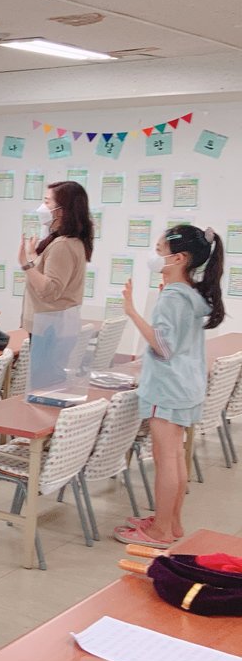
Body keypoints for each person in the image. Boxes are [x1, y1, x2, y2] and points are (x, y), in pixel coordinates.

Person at [115, 225, 224, 548]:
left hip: (167, 388)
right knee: (175, 456)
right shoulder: (190, 294)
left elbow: (163, 347)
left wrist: (132, 312)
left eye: (160, 250)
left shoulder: (173, 297)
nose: (155, 255)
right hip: (186, 385)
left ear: (178, 258)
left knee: (166, 459)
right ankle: (172, 523)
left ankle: (160, 531)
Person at [18, 180, 93, 334]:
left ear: (61, 210)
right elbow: (47, 274)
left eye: (47, 202)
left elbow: (50, 290)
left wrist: (25, 264)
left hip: (50, 328)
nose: (42, 208)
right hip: (54, 326)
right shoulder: (69, 241)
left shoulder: (62, 245)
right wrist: (32, 255)